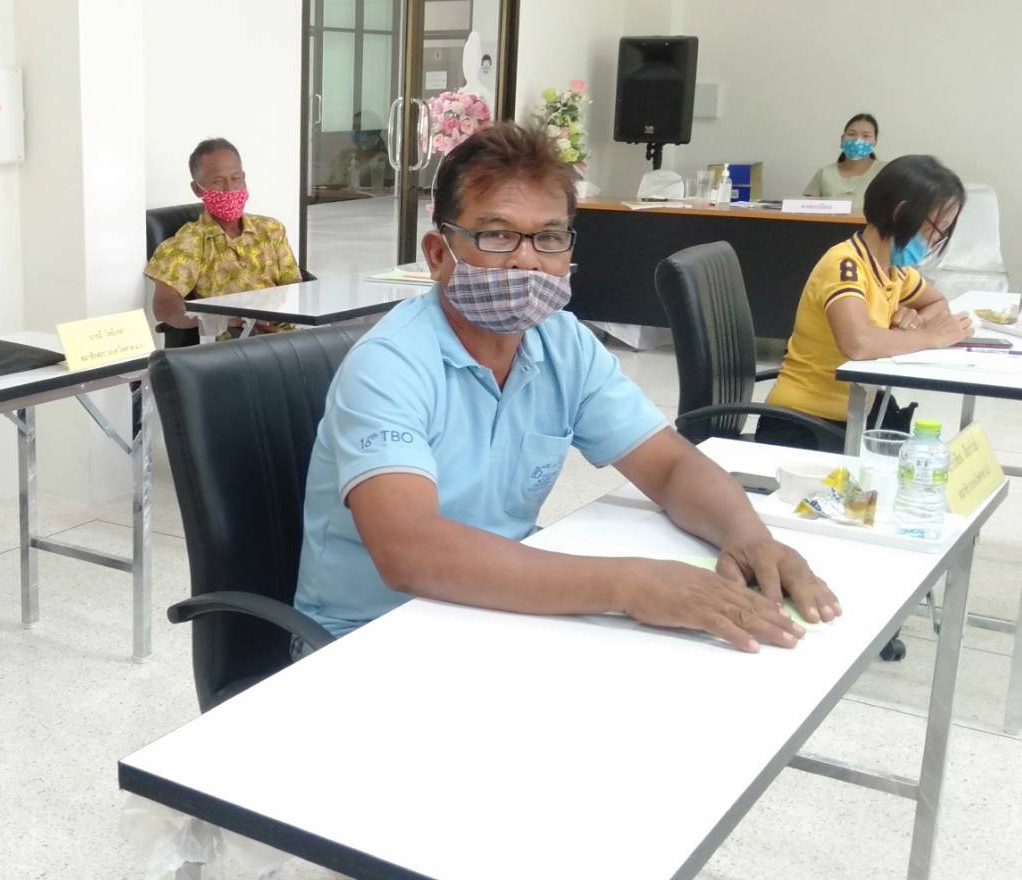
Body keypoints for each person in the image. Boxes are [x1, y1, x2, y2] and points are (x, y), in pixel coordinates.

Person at [292, 123, 838, 654]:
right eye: (498, 235)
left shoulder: (561, 342)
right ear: (439, 254)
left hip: (497, 612)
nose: (527, 259)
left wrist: (748, 536)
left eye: (549, 238)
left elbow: (669, 466)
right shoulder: (390, 364)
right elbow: (409, 551)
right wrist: (628, 586)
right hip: (365, 640)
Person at [759, 155, 973, 449]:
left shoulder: (894, 269)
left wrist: (914, 320)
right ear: (901, 213)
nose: (934, 241)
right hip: (804, 425)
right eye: (935, 229)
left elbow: (937, 303)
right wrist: (932, 337)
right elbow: (857, 343)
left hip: (854, 414)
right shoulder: (845, 264)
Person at [146, 138, 302, 346]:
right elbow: (165, 307)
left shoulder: (272, 230)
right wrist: (224, 321)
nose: (230, 189)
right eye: (218, 181)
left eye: (235, 178)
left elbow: (296, 290)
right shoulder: (186, 244)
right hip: (235, 345)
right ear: (198, 190)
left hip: (291, 336)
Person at [802, 113, 884, 212]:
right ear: (842, 139)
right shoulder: (825, 173)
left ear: (875, 142)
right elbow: (807, 211)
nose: (858, 140)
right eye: (852, 134)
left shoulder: (886, 172)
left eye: (866, 136)